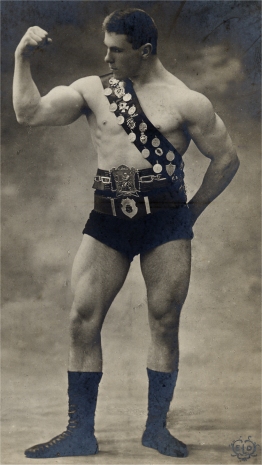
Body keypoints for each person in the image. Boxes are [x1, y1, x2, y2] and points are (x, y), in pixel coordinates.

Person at [13, 8, 239, 459]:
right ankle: (80, 433)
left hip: (166, 221)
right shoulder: (94, 90)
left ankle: (156, 429)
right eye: (106, 47)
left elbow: (226, 159)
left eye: (117, 50)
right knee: (81, 319)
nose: (107, 57)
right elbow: (29, 114)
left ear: (145, 51)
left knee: (164, 319)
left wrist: (192, 212)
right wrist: (22, 58)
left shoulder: (186, 101)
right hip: (108, 218)